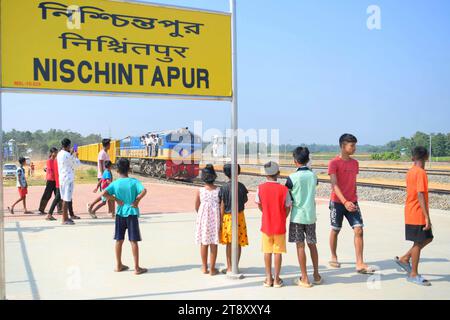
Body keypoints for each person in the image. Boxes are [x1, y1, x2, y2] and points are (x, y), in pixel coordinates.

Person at [328, 134, 374, 274]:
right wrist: (345, 201)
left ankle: (360, 263)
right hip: (337, 202)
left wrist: (352, 201)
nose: (354, 148)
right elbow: (334, 185)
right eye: (351, 145)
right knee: (336, 229)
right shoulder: (333, 163)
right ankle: (334, 256)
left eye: (355, 145)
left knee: (359, 230)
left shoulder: (355, 163)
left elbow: (352, 183)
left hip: (353, 202)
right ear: (342, 146)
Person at [395, 146, 434, 286]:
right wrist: (427, 217)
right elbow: (420, 194)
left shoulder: (411, 171)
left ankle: (404, 258)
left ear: (413, 157)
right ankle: (413, 274)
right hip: (417, 212)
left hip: (411, 211)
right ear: (426, 157)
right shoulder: (421, 173)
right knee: (418, 242)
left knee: (428, 238)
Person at [102, 158, 148, 275]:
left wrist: (116, 198)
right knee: (133, 240)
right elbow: (144, 190)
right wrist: (137, 200)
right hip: (132, 213)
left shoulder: (115, 183)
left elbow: (104, 194)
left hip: (120, 213)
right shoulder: (134, 182)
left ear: (117, 170)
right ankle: (137, 268)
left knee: (119, 239)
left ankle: (118, 265)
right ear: (129, 169)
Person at [286, 147, 322, 288]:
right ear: (308, 160)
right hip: (311, 216)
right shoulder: (313, 176)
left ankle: (305, 278)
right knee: (312, 244)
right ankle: (317, 275)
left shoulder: (292, 177)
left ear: (295, 161)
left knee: (300, 246)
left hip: (297, 216)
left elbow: (288, 197)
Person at [255, 161, 292, 288]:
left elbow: (259, 204)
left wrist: (266, 212)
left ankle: (268, 278)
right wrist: (283, 217)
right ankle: (276, 279)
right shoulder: (284, 189)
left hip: (266, 225)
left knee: (267, 251)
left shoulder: (260, 188)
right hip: (280, 226)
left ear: (266, 174)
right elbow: (288, 207)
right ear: (279, 173)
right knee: (278, 252)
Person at [219, 163, 249, 274]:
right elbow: (245, 199)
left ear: (226, 174)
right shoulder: (241, 186)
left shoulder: (223, 187)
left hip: (227, 217)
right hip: (240, 216)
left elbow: (221, 205)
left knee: (229, 243)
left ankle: (229, 267)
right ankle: (236, 265)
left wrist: (220, 221)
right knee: (238, 242)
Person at [194, 164, 221, 276]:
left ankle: (204, 267)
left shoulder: (200, 191)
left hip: (203, 219)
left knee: (204, 243)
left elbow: (196, 205)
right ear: (214, 176)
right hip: (215, 219)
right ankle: (212, 269)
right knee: (214, 243)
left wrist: (201, 214)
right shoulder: (219, 190)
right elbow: (220, 205)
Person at [57, 138, 80, 225]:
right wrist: (76, 156)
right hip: (68, 179)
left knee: (64, 199)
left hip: (62, 178)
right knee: (66, 199)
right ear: (68, 146)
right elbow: (76, 164)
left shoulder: (59, 154)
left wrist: (71, 155)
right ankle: (64, 219)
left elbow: (67, 162)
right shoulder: (67, 154)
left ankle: (65, 217)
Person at [37, 148, 59, 218]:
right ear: (51, 153)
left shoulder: (56, 161)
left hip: (56, 180)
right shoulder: (49, 161)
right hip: (50, 180)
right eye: (55, 152)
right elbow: (52, 171)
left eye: (56, 152)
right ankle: (41, 210)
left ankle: (60, 209)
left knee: (58, 195)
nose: (56, 154)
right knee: (47, 195)